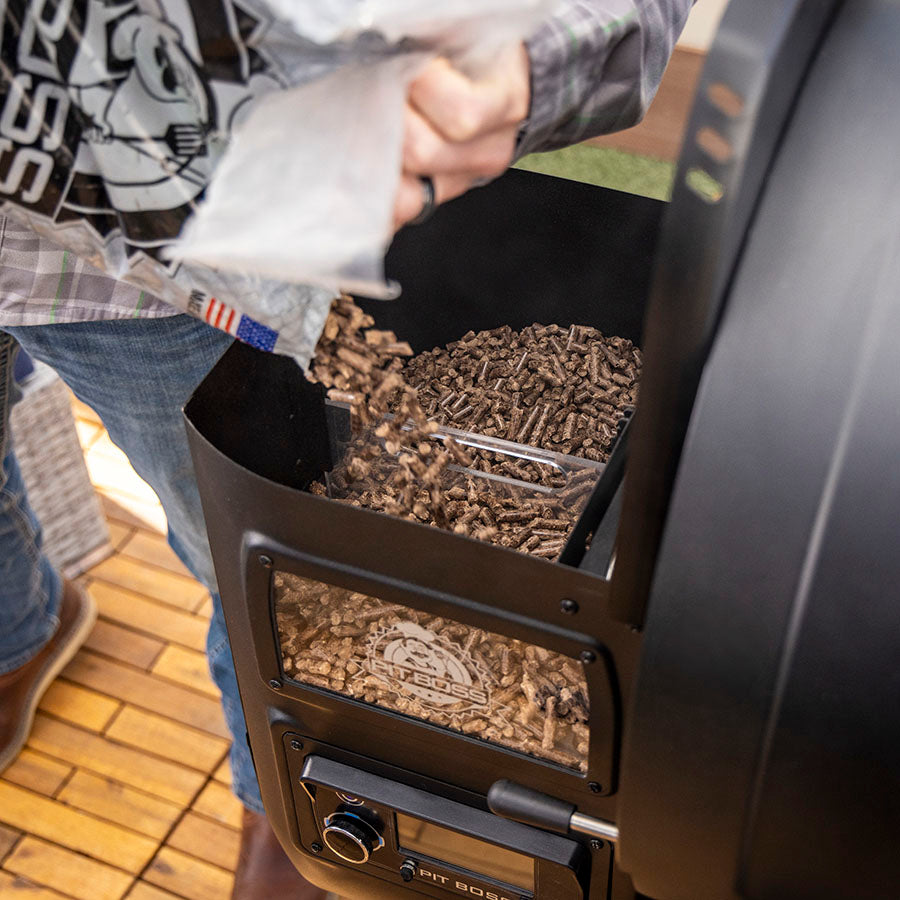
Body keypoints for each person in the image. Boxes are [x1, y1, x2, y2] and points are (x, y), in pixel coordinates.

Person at [0, 1, 694, 896]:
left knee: (253, 578)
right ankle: (19, 633)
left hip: (151, 286)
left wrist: (526, 60)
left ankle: (275, 801)